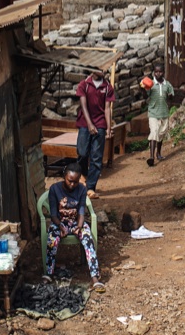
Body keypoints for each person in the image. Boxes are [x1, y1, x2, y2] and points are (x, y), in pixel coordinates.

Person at [44, 163, 105, 292]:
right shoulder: (54, 189)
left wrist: (79, 226)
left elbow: (81, 211)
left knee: (88, 240)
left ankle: (95, 277)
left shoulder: (82, 189)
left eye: (76, 182)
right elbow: (53, 214)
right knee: (51, 240)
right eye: (70, 181)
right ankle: (49, 273)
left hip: (76, 222)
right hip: (59, 222)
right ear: (64, 177)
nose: (72, 184)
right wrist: (60, 226)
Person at [75, 68, 115, 198]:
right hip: (84, 123)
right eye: (100, 68)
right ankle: (84, 174)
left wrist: (108, 127)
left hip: (100, 124)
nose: (103, 70)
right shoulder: (84, 85)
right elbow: (83, 106)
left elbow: (107, 108)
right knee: (82, 153)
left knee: (96, 157)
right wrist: (89, 124)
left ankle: (90, 187)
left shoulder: (107, 87)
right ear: (92, 69)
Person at [141, 64, 175, 166]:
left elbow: (171, 96)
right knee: (154, 131)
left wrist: (170, 96)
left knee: (161, 133)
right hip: (153, 113)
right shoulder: (150, 84)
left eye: (160, 72)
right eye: (156, 72)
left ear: (163, 72)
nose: (158, 74)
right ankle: (151, 157)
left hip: (164, 113)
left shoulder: (167, 85)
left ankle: (158, 153)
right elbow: (145, 96)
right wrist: (142, 89)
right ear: (153, 73)